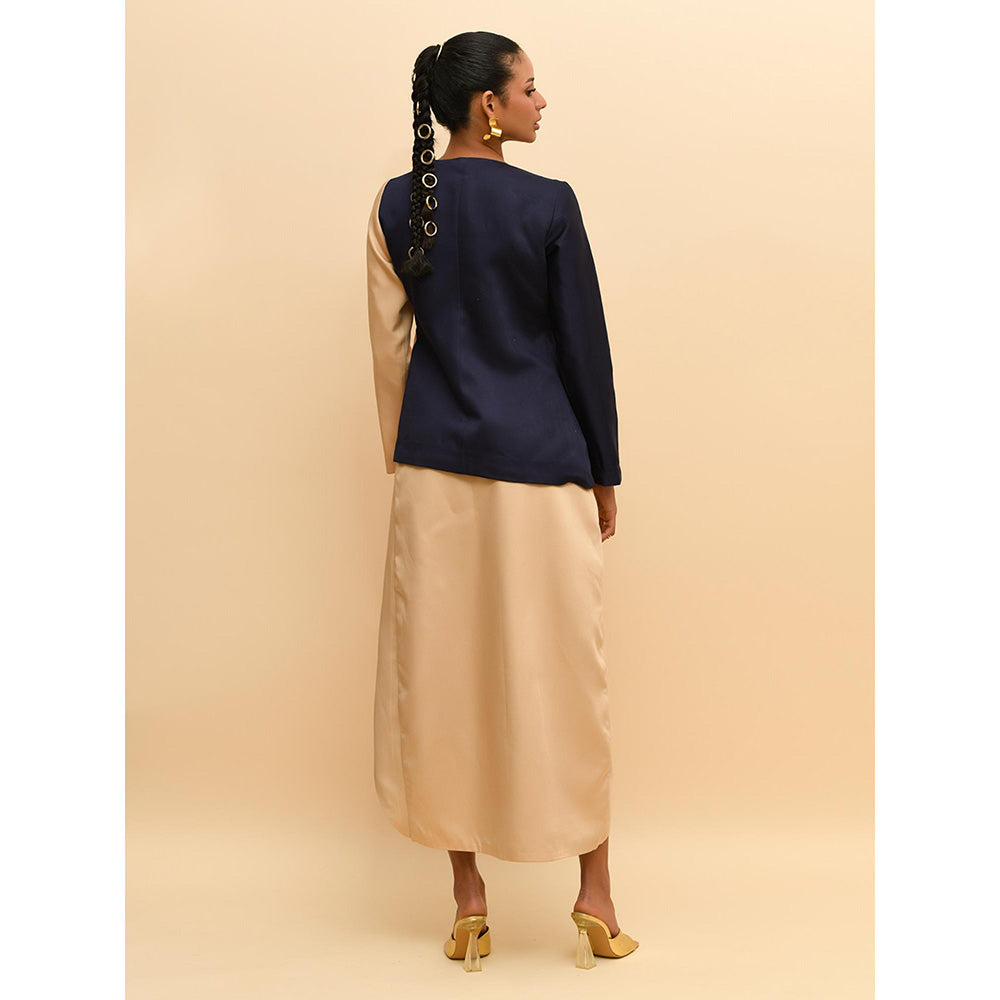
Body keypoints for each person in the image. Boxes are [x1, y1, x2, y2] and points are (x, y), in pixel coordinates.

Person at [365, 31, 638, 972]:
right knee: (567, 675)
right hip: (544, 469)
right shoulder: (549, 204)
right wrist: (603, 469)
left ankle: (469, 902)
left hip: (434, 474)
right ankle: (595, 894)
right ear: (490, 104)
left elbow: (390, 354)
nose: (540, 101)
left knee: (444, 679)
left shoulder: (398, 203)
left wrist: (407, 455)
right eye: (530, 86)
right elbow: (583, 348)